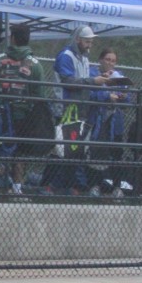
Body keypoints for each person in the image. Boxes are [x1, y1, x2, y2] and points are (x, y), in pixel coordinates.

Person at [0, 23, 50, 195]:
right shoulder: (36, 65)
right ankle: (17, 188)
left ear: (12, 38)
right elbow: (39, 94)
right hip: (24, 115)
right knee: (20, 150)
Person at [48, 25, 110, 192]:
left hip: (79, 109)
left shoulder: (84, 57)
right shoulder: (66, 56)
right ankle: (55, 185)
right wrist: (93, 81)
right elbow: (68, 82)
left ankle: (64, 186)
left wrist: (98, 79)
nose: (90, 45)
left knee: (74, 151)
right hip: (65, 109)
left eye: (91, 42)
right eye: (87, 41)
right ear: (77, 40)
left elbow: (83, 80)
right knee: (65, 150)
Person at [86, 48, 131, 196]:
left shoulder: (119, 76)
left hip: (115, 121)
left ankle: (117, 187)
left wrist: (123, 96)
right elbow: (90, 94)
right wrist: (107, 96)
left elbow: (127, 100)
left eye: (113, 61)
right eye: (108, 60)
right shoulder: (93, 74)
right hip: (98, 121)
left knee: (116, 153)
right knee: (96, 153)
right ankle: (95, 185)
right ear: (101, 60)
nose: (110, 63)